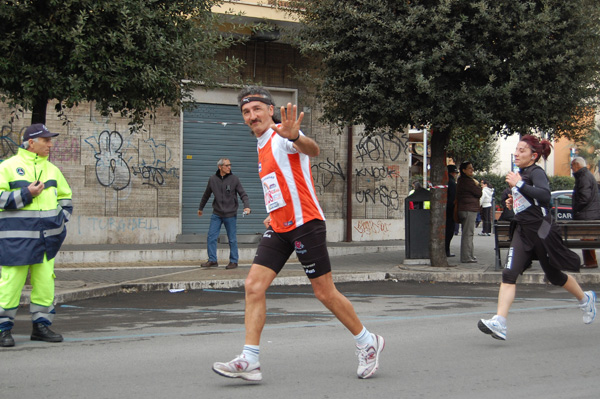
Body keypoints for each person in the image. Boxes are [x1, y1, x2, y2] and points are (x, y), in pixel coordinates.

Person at [212, 86, 384, 381]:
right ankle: (250, 359)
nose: (252, 116)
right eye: (246, 112)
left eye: (257, 109)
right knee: (253, 285)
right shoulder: (261, 143)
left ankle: (368, 341)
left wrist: (294, 135)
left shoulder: (281, 136)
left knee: (324, 292)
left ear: (270, 109)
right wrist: (273, 212)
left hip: (306, 224)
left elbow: (312, 150)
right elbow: (278, 184)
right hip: (280, 227)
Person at [478, 135, 596, 341]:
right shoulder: (521, 174)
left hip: (542, 232)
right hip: (523, 233)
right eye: (516, 149)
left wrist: (520, 186)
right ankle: (500, 322)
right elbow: (523, 199)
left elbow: (544, 196)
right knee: (509, 274)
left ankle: (586, 299)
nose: (517, 153)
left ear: (533, 156)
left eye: (522, 150)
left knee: (555, 276)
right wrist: (510, 201)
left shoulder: (537, 172)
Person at [0, 124, 73, 347]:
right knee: (11, 284)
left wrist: (61, 221)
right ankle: (3, 329)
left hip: (46, 240)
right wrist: (26, 194)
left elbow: (66, 198)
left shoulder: (52, 170)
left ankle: (41, 326)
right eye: (46, 140)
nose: (50, 144)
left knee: (44, 285)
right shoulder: (7, 167)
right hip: (16, 240)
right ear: (31, 142)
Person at [198, 158, 251, 270]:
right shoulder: (212, 179)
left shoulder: (234, 179)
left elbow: (243, 194)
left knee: (232, 239)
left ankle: (233, 261)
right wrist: (200, 208)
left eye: (230, 165)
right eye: (227, 165)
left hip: (230, 214)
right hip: (216, 214)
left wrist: (246, 206)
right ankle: (212, 260)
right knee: (211, 237)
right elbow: (206, 195)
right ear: (220, 167)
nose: (229, 167)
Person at [571, 156, 600, 269]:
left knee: (586, 238)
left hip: (587, 214)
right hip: (590, 213)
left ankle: (590, 262)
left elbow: (584, 197)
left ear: (577, 165)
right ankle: (590, 261)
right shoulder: (587, 175)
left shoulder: (583, 177)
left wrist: (577, 208)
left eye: (572, 166)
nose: (572, 169)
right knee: (586, 238)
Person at [456, 161, 482, 263]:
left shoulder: (461, 181)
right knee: (468, 234)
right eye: (469, 168)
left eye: (472, 168)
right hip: (468, 210)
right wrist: (477, 185)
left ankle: (469, 254)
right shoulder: (468, 181)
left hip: (464, 208)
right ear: (464, 170)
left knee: (468, 233)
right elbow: (478, 193)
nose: (472, 170)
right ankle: (466, 257)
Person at [445, 164, 459, 257]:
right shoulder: (452, 182)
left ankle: (445, 250)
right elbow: (453, 197)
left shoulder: (445, 181)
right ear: (453, 173)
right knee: (449, 231)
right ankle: (446, 250)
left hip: (445, 209)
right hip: (450, 210)